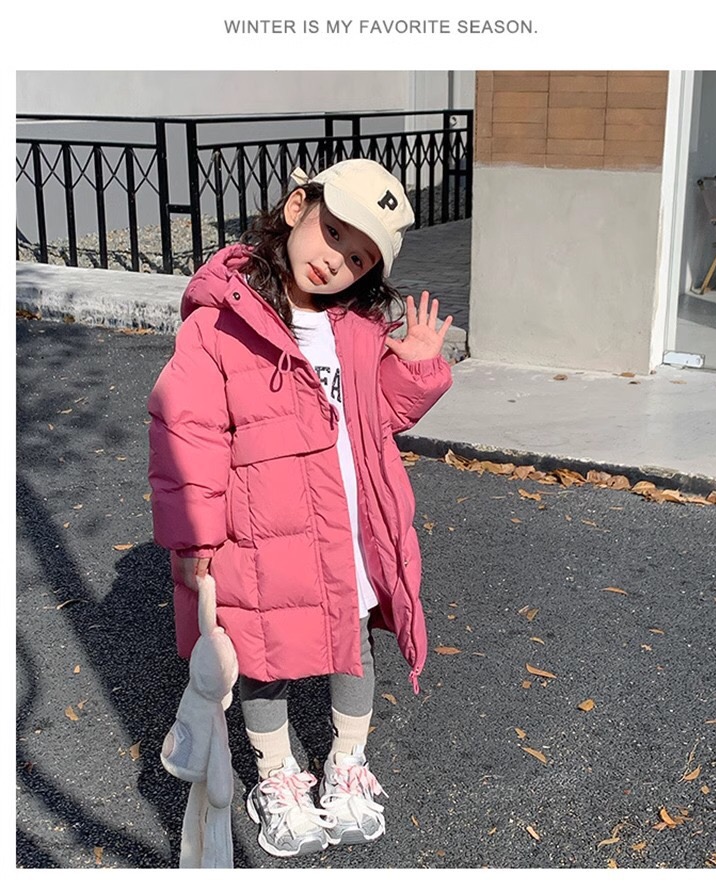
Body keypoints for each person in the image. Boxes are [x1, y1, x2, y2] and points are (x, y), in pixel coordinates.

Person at [147, 159, 453, 859]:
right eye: (334, 232)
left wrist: (414, 368)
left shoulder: (356, 327)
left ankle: (347, 762)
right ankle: (278, 774)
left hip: (347, 523)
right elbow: (188, 428)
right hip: (262, 530)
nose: (335, 260)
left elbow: (376, 417)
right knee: (262, 650)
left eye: (358, 257)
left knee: (352, 635)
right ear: (296, 208)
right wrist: (195, 536)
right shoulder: (224, 321)